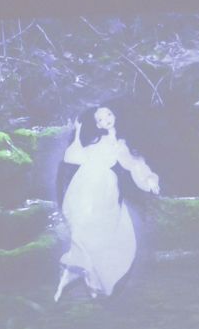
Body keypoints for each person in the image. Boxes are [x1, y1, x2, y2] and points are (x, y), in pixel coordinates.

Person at [54, 105, 161, 302]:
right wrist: (77, 131)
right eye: (101, 119)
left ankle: (97, 280)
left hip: (106, 189)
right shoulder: (95, 142)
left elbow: (133, 164)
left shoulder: (120, 144)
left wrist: (149, 179)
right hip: (83, 187)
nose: (107, 119)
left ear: (115, 116)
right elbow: (72, 157)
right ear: (97, 125)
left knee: (104, 233)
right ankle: (86, 273)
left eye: (109, 114)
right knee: (83, 229)